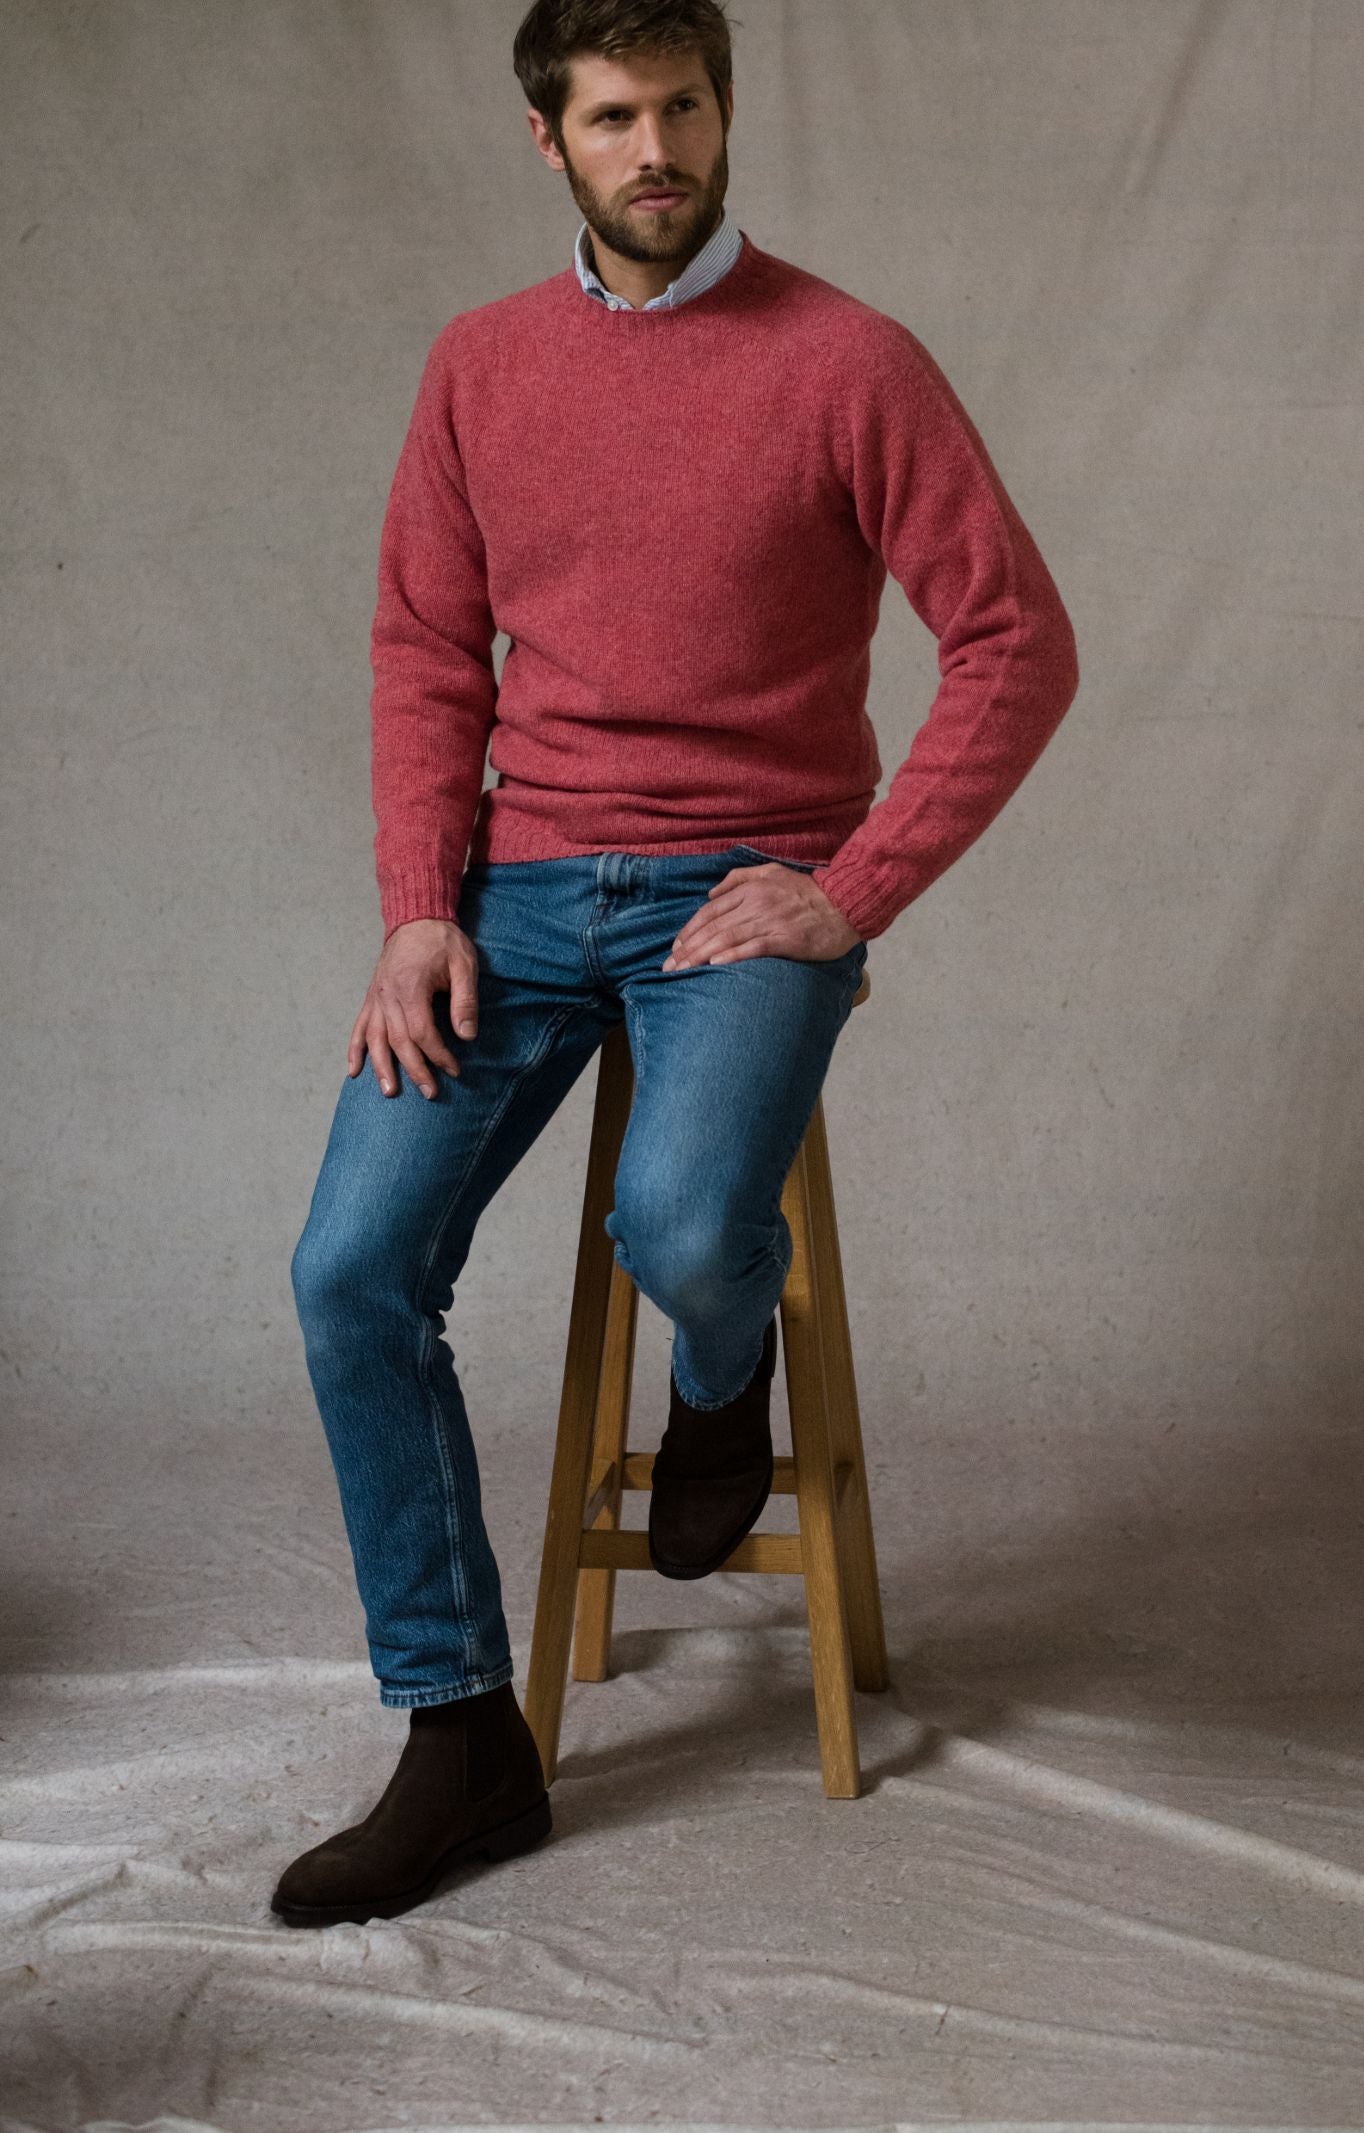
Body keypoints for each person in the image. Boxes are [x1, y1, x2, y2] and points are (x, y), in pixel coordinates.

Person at [271, 0, 1079, 1929]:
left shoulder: (849, 361)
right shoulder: (478, 369)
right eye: (617, 115)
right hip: (520, 892)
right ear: (547, 140)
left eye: (688, 107)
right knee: (345, 1268)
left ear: (726, 116)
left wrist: (853, 886)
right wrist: (416, 896)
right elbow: (418, 652)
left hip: (750, 885)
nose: (660, 149)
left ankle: (724, 1388)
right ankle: (463, 1730)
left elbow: (1015, 644)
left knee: (694, 1225)